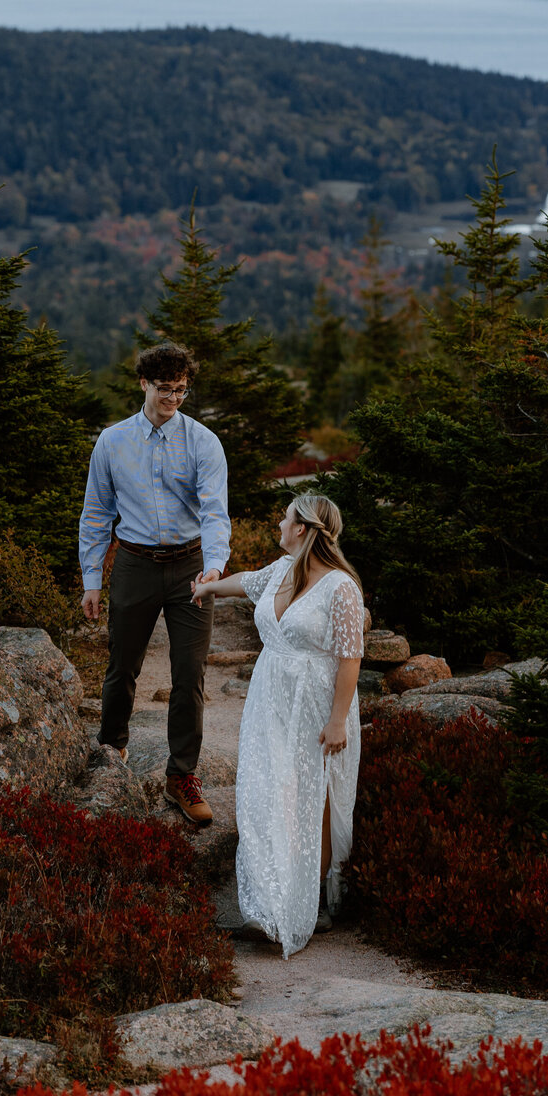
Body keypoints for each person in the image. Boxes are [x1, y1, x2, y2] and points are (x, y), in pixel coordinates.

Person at [192, 492, 363, 956]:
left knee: (314, 795)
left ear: (303, 530)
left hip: (318, 705)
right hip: (271, 702)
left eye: (285, 520)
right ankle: (269, 902)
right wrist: (209, 586)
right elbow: (247, 582)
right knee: (268, 789)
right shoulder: (282, 571)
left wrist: (337, 721)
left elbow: (351, 658)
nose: (278, 526)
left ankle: (310, 904)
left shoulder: (341, 587)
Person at [80, 341, 229, 827]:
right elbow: (97, 513)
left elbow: (214, 513)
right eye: (165, 389)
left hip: (190, 567)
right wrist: (92, 580)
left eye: (181, 391)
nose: (173, 399)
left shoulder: (204, 442)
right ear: (143, 383)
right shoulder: (112, 441)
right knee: (122, 665)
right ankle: (113, 750)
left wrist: (213, 567)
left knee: (190, 674)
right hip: (135, 563)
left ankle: (181, 776)